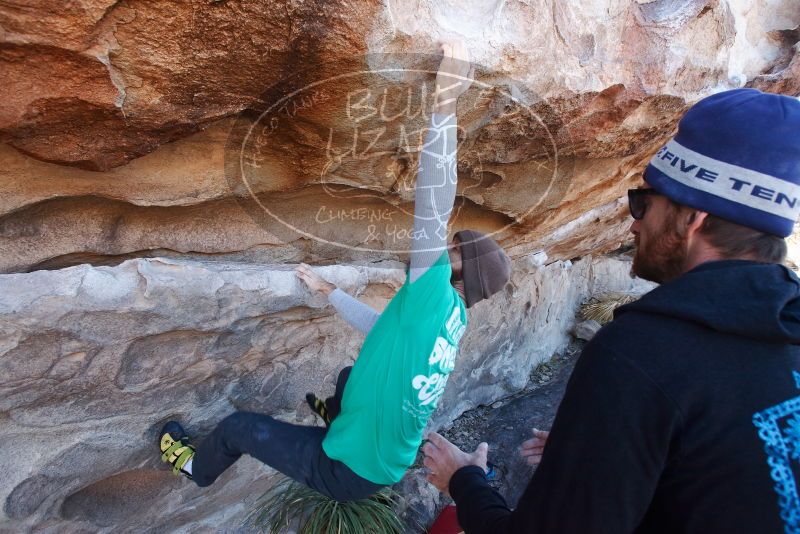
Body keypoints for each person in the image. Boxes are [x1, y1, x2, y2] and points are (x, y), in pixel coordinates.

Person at [422, 87, 800, 533]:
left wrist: (465, 480)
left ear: (693, 218)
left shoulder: (644, 354)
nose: (633, 222)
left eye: (644, 203)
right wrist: (608, 456)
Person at [156, 42, 512, 502]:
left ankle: (192, 467)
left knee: (239, 429)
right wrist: (329, 291)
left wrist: (445, 103)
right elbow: (384, 330)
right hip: (386, 461)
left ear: (464, 277)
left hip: (345, 470)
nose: (444, 247)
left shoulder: (434, 293)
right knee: (349, 375)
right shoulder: (451, 317)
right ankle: (337, 415)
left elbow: (433, 208)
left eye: (456, 250)